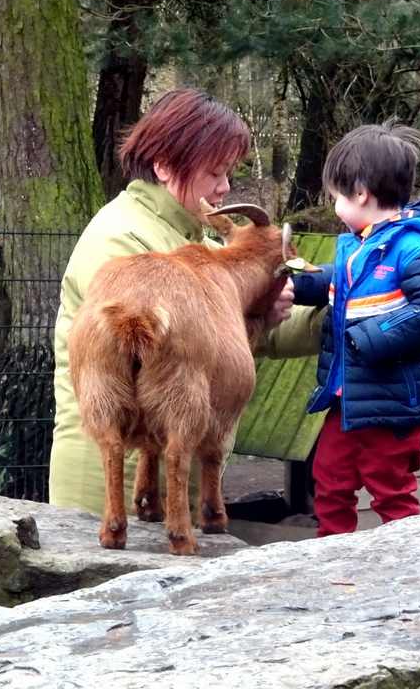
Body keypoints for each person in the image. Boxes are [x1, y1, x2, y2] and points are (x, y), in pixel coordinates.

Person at [50, 88, 324, 515]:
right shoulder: (123, 240)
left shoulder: (191, 239)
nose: (225, 187)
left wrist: (350, 317)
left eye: (228, 173)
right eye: (215, 173)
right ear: (163, 166)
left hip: (167, 479)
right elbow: (175, 351)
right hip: (111, 487)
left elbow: (230, 336)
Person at [290, 120, 420, 536]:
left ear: (360, 193)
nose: (334, 206)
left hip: (392, 405)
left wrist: (370, 337)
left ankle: (408, 568)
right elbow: (341, 284)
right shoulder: (357, 243)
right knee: (329, 482)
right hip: (344, 401)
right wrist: (296, 283)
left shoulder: (414, 247)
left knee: (391, 492)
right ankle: (331, 562)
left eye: (335, 197)